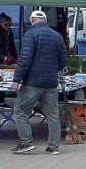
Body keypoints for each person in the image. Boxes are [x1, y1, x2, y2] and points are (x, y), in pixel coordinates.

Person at [11, 10, 68, 155]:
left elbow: (25, 59)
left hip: (33, 82)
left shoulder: (30, 34)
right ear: (45, 20)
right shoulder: (57, 36)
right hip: (51, 83)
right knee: (52, 115)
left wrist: (17, 79)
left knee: (20, 111)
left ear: (32, 20)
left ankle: (26, 143)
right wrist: (52, 70)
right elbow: (63, 60)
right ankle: (53, 146)